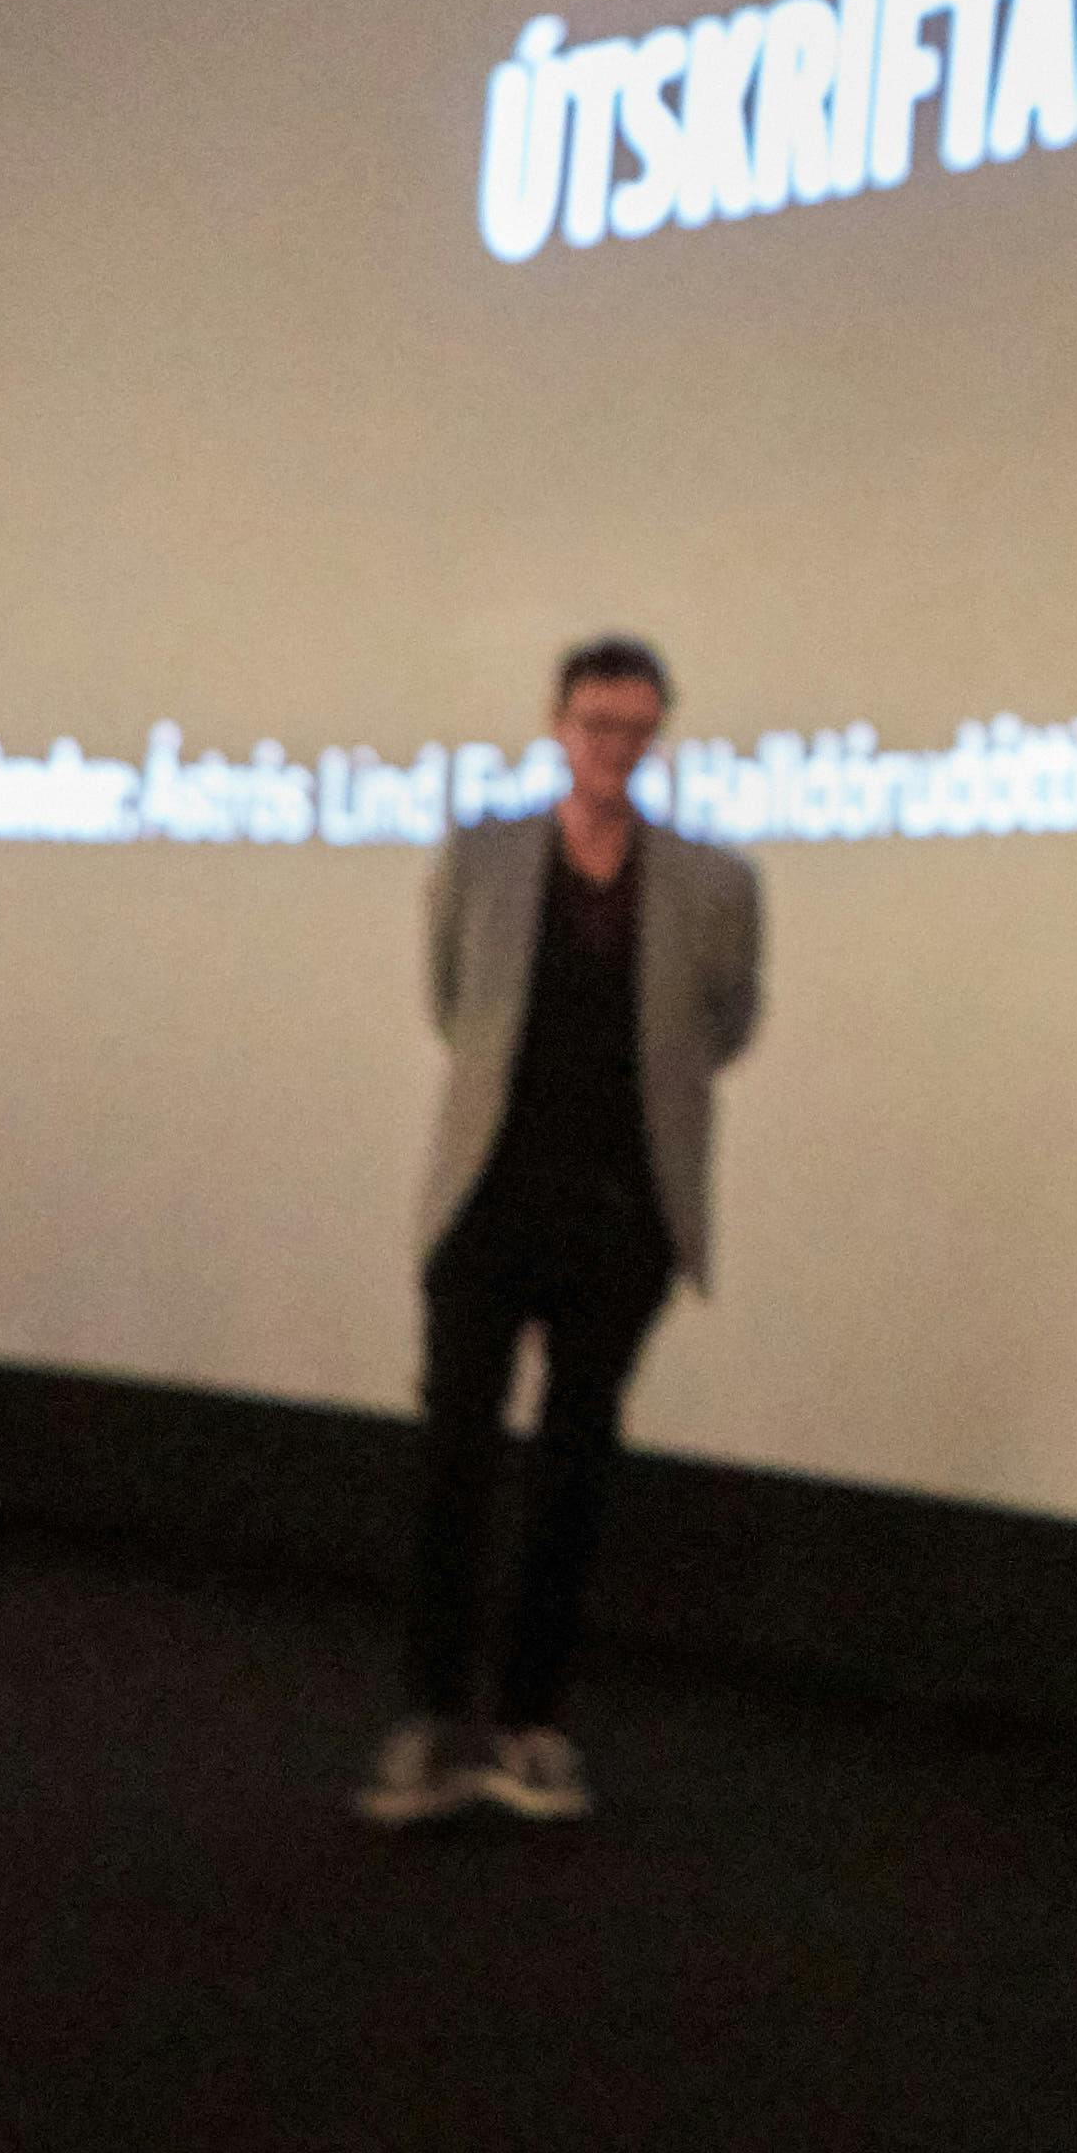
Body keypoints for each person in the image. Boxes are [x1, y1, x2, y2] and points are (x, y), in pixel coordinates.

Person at [365, 635, 763, 1829]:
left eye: (637, 729)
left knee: (576, 1469)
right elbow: (454, 1005)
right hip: (488, 1201)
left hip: (623, 1213)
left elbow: (725, 1026)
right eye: (598, 725)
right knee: (455, 1457)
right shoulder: (482, 853)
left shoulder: (715, 880)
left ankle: (533, 1725)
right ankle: (433, 1720)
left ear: (658, 735)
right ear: (557, 724)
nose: (615, 748)